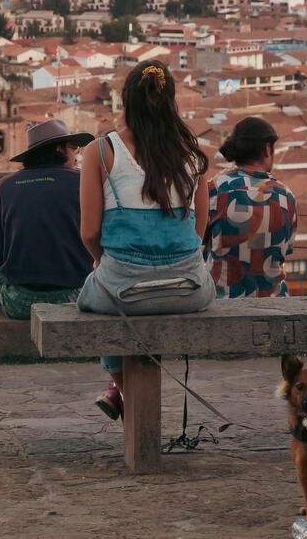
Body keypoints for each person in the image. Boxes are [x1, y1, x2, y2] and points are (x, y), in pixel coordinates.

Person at [77, 60, 216, 420]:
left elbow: (89, 233)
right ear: (171, 100)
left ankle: (121, 387)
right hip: (190, 289)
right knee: (111, 291)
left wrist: (100, 259)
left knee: (101, 295)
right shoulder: (193, 152)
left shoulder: (101, 152)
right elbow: (198, 231)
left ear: (126, 102)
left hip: (122, 288)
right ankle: (120, 391)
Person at [0, 119, 94, 318]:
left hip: (19, 302)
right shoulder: (82, 181)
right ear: (60, 149)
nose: (75, 155)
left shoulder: (5, 186)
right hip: (76, 298)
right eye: (74, 149)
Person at [207, 117, 297, 298]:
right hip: (273, 302)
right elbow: (286, 249)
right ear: (267, 148)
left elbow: (198, 239)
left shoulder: (215, 189)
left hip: (223, 301)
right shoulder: (286, 196)